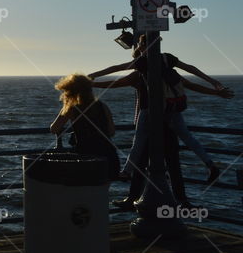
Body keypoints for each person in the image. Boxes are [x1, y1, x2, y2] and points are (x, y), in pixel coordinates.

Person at [90, 36, 233, 185]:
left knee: (139, 140)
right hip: (172, 106)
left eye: (140, 44)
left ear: (143, 45)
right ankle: (210, 164)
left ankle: (127, 171)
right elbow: (190, 70)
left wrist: (92, 77)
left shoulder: (143, 61)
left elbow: (116, 69)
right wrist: (213, 84)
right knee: (187, 137)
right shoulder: (167, 59)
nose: (139, 47)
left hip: (151, 108)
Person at [91, 68, 232, 208]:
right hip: (171, 123)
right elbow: (191, 85)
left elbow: (114, 83)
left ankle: (129, 184)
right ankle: (186, 195)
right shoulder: (171, 73)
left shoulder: (140, 73)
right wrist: (216, 92)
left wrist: (92, 83)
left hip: (151, 127)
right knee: (174, 164)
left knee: (140, 157)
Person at [50, 73, 120, 180]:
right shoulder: (102, 106)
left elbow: (54, 128)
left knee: (85, 192)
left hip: (86, 158)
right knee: (101, 192)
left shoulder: (72, 109)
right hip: (108, 156)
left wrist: (66, 105)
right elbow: (111, 132)